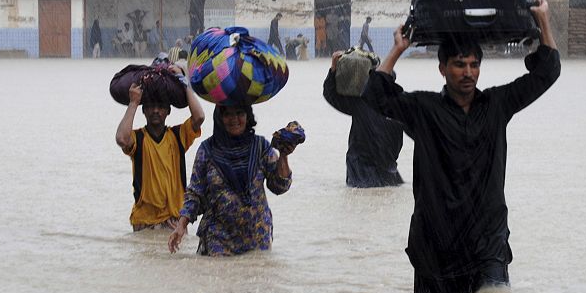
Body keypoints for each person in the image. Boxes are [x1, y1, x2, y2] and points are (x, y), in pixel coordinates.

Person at [361, 0, 561, 293]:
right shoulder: (423, 110)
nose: (468, 72)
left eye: (473, 65)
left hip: (487, 246)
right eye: (459, 65)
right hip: (436, 248)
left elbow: (547, 73)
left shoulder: (497, 105)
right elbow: (375, 95)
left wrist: (543, 21)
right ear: (442, 68)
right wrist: (397, 49)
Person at [167, 104, 295, 256]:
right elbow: (195, 193)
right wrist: (181, 225)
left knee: (257, 277)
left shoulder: (260, 146)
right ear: (219, 118)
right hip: (218, 238)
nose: (234, 119)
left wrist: (284, 155)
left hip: (257, 237)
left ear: (248, 117)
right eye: (227, 114)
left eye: (240, 113)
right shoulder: (207, 150)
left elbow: (280, 186)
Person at [115, 65, 206, 231]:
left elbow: (199, 117)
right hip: (145, 222)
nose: (155, 111)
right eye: (150, 106)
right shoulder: (138, 138)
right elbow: (121, 138)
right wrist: (134, 102)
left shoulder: (178, 136)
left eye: (161, 107)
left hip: (174, 221)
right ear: (144, 111)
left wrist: (184, 83)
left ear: (168, 111)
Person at [323, 50, 404, 188]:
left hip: (364, 171)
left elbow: (331, 95)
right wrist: (333, 68)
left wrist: (333, 68)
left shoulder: (361, 103)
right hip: (386, 170)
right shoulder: (399, 107)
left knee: (363, 201)